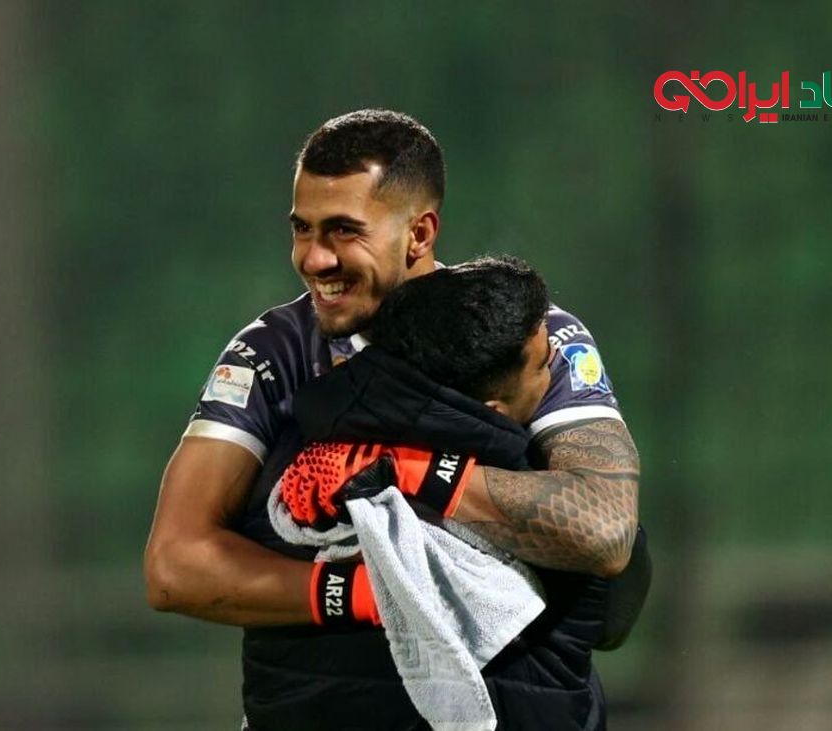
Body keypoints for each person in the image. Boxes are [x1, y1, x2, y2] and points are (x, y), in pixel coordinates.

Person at [144, 110, 641, 729]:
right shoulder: (274, 352)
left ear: (420, 233)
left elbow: (606, 535)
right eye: (302, 229)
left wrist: (407, 472)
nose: (313, 258)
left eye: (343, 231)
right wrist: (368, 594)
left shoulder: (530, 339)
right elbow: (174, 566)